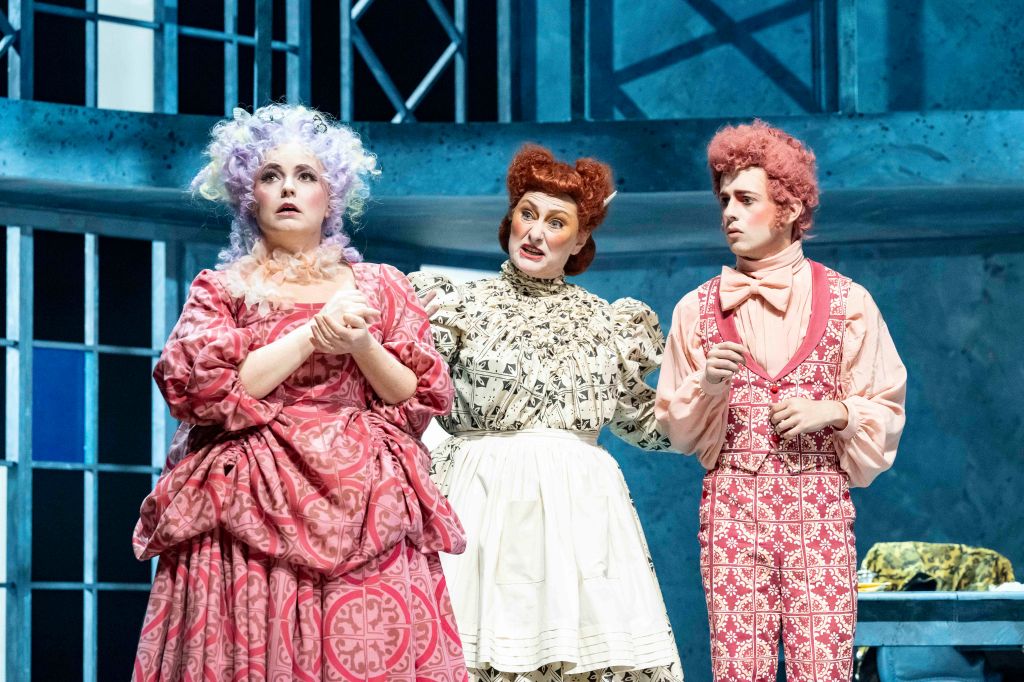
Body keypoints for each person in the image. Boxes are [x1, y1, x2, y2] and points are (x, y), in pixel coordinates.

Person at [131, 104, 468, 681]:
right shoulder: (221, 289)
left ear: (331, 193)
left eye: (305, 175)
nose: (288, 188)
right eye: (271, 175)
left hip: (366, 497)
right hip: (248, 496)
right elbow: (206, 391)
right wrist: (312, 334)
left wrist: (360, 343)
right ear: (248, 193)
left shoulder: (382, 285)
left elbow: (416, 399)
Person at [409, 145, 682, 682]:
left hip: (578, 512)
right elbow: (410, 397)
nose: (535, 232)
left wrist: (712, 397)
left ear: (580, 240)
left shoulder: (606, 321)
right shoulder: (458, 305)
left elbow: (643, 423)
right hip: (480, 500)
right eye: (527, 214)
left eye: (556, 222)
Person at [655, 120, 907, 681]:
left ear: (789, 207)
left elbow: (887, 408)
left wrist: (837, 411)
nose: (729, 213)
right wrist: (708, 387)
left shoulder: (849, 303)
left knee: (824, 667)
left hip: (818, 508)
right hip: (732, 512)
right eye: (725, 200)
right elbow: (676, 430)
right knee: (738, 668)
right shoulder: (695, 309)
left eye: (746, 199)